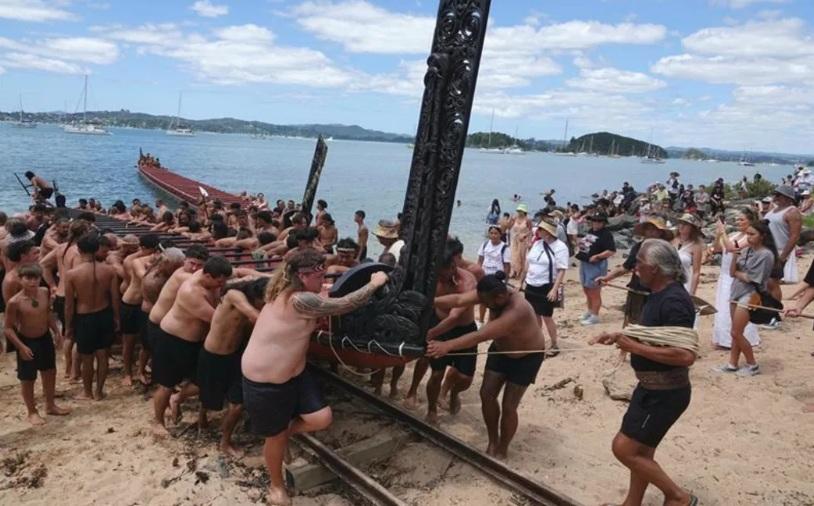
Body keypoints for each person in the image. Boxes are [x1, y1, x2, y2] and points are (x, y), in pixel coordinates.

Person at [242, 249, 388, 506]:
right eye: (319, 276)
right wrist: (374, 283)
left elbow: (327, 292)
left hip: (294, 373)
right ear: (303, 276)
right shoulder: (299, 300)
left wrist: (331, 285)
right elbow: (343, 305)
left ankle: (284, 432)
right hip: (266, 381)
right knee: (274, 438)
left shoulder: (290, 289)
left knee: (321, 418)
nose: (323, 281)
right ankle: (276, 486)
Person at [590, 238, 698, 506]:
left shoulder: (674, 301)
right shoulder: (658, 293)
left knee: (624, 449)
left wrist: (633, 346)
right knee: (642, 452)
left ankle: (679, 497)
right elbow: (655, 336)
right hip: (650, 389)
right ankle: (632, 502)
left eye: (639, 263)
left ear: (656, 269)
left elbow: (685, 355)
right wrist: (621, 335)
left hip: (665, 393)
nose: (634, 268)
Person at [427, 271, 545, 459]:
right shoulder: (490, 291)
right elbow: (458, 300)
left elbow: (480, 335)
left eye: (487, 303)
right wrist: (430, 300)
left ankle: (503, 448)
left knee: (509, 406)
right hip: (500, 350)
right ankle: (493, 440)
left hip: (527, 357)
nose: (483, 305)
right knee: (486, 395)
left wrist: (446, 345)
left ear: (501, 296)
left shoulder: (516, 310)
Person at [151, 256, 233, 436]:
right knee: (166, 384)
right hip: (173, 340)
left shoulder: (210, 279)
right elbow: (216, 320)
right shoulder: (191, 291)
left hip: (195, 342)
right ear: (208, 276)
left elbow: (240, 274)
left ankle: (177, 398)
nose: (222, 284)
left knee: (202, 381)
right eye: (220, 281)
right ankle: (157, 422)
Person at [404, 249, 477, 423]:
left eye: (442, 276)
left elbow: (454, 317)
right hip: (437, 321)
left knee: (465, 378)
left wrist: (430, 334)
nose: (440, 279)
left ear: (452, 267)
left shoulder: (466, 283)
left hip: (463, 328)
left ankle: (452, 392)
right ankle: (430, 407)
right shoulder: (433, 277)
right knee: (436, 372)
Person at [198, 277, 267, 458]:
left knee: (237, 404)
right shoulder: (234, 295)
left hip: (235, 356)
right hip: (214, 355)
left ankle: (225, 441)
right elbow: (255, 316)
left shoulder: (252, 300)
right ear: (256, 296)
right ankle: (199, 416)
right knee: (209, 395)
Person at [3, 264, 69, 425]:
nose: (33, 282)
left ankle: (50, 404)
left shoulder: (44, 292)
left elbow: (48, 314)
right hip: (26, 339)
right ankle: (32, 411)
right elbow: (8, 328)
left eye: (36, 278)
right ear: (21, 279)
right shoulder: (15, 302)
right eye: (28, 278)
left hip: (44, 337)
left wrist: (56, 332)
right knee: (28, 378)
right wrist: (21, 346)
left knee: (49, 372)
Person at [715, 220, 777, 377]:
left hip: (750, 295)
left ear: (762, 236)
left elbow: (753, 278)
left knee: (736, 332)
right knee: (736, 331)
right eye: (747, 234)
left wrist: (738, 273)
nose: (748, 237)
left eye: (752, 234)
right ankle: (732, 363)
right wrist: (735, 259)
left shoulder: (766, 254)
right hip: (737, 291)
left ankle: (752, 364)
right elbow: (732, 272)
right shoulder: (747, 250)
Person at [64, 233, 121, 400]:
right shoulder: (109, 270)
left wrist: (69, 326)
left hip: (84, 317)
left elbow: (69, 305)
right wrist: (117, 318)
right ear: (97, 249)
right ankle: (99, 392)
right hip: (104, 314)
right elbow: (115, 297)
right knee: (102, 354)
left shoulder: (72, 274)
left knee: (87, 357)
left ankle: (87, 392)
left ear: (79, 250)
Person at [597, 216, 673, 327]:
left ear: (660, 232)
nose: (651, 232)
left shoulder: (666, 250)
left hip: (657, 292)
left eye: (654, 229)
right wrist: (607, 278)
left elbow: (671, 272)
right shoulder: (638, 247)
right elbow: (625, 267)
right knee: (634, 323)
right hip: (637, 290)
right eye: (648, 229)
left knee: (654, 324)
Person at [711, 208, 761, 349]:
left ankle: (738, 339)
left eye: (742, 219)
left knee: (735, 308)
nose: (738, 222)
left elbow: (732, 248)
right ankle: (723, 339)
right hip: (725, 275)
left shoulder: (749, 238)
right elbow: (718, 249)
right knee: (722, 307)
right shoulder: (735, 234)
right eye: (738, 219)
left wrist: (723, 232)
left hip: (737, 276)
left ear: (750, 221)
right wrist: (718, 235)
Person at [138, 248, 186, 385]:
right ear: (169, 263)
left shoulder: (157, 270)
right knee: (151, 348)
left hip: (151, 315)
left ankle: (147, 372)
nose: (179, 269)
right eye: (177, 266)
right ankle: (152, 376)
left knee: (149, 347)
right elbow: (161, 304)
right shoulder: (156, 280)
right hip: (151, 316)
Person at [520, 220, 568, 356]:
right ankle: (537, 341)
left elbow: (562, 269)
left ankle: (554, 344)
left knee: (547, 316)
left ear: (548, 232)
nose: (538, 232)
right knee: (534, 315)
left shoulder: (560, 247)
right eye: (539, 229)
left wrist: (554, 289)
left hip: (546, 286)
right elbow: (528, 263)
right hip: (531, 284)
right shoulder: (537, 243)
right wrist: (521, 281)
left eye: (541, 230)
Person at [120, 234, 160, 386]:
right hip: (131, 303)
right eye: (150, 251)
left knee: (146, 342)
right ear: (142, 249)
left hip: (145, 305)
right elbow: (143, 277)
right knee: (128, 342)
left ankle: (141, 370)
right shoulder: (134, 260)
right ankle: (127, 373)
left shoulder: (155, 260)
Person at [576, 211, 616, 325]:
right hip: (585, 262)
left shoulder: (606, 234)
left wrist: (598, 256)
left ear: (603, 223)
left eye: (599, 221)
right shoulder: (591, 231)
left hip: (596, 265)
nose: (596, 223)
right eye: (594, 220)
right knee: (586, 288)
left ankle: (595, 315)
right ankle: (590, 311)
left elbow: (611, 250)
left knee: (594, 290)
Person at [765, 185, 801, 306]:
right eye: (776, 194)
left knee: (773, 282)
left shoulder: (792, 212)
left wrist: (783, 257)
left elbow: (794, 236)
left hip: (779, 250)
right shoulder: (773, 210)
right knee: (765, 282)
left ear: (787, 197)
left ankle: (775, 311)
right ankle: (767, 308)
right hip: (766, 250)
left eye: (778, 195)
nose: (776, 197)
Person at [476, 225, 511, 322]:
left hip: (497, 279)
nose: (493, 235)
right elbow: (480, 261)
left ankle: (490, 322)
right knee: (482, 300)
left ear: (500, 234)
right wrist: (477, 275)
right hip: (485, 276)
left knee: (494, 302)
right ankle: (481, 321)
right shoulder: (485, 245)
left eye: (496, 233)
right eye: (491, 233)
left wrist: (505, 281)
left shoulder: (504, 248)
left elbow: (507, 266)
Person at [674, 214, 704, 296]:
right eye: (680, 223)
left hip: (685, 282)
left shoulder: (696, 246)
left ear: (691, 228)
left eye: (685, 224)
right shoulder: (672, 240)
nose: (681, 226)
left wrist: (692, 293)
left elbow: (696, 272)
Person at [509, 203, 532, 279]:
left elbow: (531, 231)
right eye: (518, 210)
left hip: (523, 240)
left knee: (521, 256)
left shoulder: (527, 220)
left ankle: (520, 273)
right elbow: (510, 227)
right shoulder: (515, 218)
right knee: (513, 255)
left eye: (521, 210)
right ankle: (514, 271)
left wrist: (526, 238)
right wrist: (510, 220)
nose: (519, 212)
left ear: (524, 211)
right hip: (514, 239)